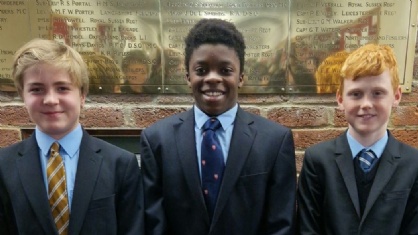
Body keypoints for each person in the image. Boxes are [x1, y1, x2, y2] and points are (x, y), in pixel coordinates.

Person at [140, 18, 297, 235]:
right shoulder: (157, 139)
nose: (213, 78)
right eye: (201, 70)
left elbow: (281, 224)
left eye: (225, 70)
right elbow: (153, 222)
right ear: (188, 76)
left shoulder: (274, 141)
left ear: (241, 77)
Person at [0, 38, 143, 234]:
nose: (50, 100)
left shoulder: (120, 164)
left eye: (62, 88)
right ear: (22, 95)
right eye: (36, 89)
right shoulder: (4, 166)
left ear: (82, 95)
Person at [297, 44, 418, 234]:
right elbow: (307, 228)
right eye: (356, 94)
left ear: (396, 96)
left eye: (378, 93)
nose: (366, 104)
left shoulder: (413, 164)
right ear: (340, 99)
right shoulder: (318, 160)